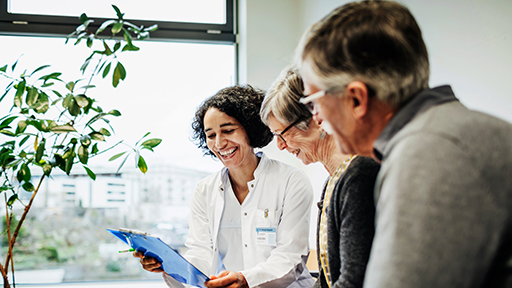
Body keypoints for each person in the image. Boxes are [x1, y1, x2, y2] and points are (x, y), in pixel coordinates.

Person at [295, 1, 512, 288]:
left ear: (356, 99)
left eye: (313, 102)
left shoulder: (427, 153)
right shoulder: (455, 131)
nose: (317, 117)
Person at [135, 85, 315, 288]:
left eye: (228, 130)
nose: (219, 143)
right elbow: (200, 253)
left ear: (250, 129)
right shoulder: (204, 190)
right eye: (210, 135)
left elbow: (290, 258)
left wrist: (246, 280)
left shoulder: (291, 181)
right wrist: (169, 266)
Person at [260, 66, 380, 288]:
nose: (280, 146)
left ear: (316, 117)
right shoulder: (332, 181)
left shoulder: (359, 173)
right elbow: (327, 277)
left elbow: (354, 280)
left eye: (281, 134)